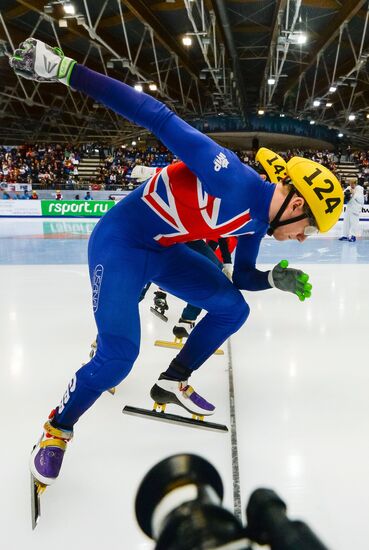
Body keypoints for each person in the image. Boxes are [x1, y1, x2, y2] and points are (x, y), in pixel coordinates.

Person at [10, 38, 343, 489]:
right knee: (119, 356)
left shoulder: (256, 223)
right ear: (296, 202)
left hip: (165, 251)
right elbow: (155, 116)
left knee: (234, 308)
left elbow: (242, 278)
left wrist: (272, 278)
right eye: (308, 227)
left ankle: (174, 379)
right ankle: (57, 429)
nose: (302, 238)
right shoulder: (233, 179)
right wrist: (67, 70)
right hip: (122, 243)